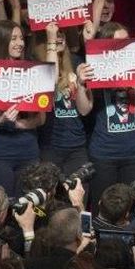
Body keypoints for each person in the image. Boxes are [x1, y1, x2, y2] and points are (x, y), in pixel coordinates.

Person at [76, 22, 135, 203]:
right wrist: (81, 85)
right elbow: (84, 110)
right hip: (103, 154)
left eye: (126, 41)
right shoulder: (93, 69)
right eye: (118, 42)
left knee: (132, 206)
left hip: (134, 152)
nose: (124, 46)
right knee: (103, 206)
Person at [0, 20, 45, 198]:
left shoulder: (33, 72)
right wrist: (0, 120)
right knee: (1, 207)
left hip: (28, 150)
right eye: (13, 39)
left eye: (21, 38)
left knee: (28, 206)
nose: (20, 43)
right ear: (1, 41)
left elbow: (41, 118)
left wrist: (20, 125)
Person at [34, 23, 90, 176]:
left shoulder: (76, 62)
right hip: (50, 146)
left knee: (79, 195)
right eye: (54, 35)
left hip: (77, 146)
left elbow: (85, 110)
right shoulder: (35, 65)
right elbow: (50, 81)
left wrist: (80, 83)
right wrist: (51, 41)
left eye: (61, 34)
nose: (58, 38)